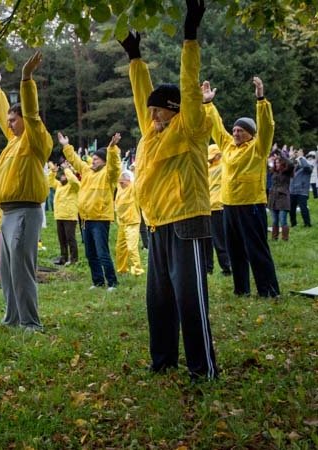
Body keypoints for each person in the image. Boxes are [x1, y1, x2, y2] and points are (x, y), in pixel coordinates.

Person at [119, 0, 218, 380]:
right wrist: (135, 58)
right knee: (158, 301)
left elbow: (189, 90)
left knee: (190, 300)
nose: (153, 115)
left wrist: (189, 37)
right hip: (156, 225)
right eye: (153, 111)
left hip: (186, 222)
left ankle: (202, 369)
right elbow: (143, 97)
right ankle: (163, 362)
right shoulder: (153, 133)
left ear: (175, 109)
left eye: (160, 110)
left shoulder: (191, 127)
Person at [0, 51, 53, 331]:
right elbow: (3, 118)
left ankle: (30, 322)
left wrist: (26, 79)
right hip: (8, 213)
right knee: (8, 269)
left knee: (22, 270)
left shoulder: (35, 140)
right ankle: (12, 318)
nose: (10, 123)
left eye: (15, 119)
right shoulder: (13, 143)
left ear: (24, 120)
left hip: (26, 211)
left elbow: (33, 115)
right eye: (11, 120)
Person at [202, 75, 280, 297]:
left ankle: (269, 290)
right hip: (229, 205)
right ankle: (241, 290)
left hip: (251, 205)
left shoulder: (258, 147)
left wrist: (261, 100)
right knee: (235, 250)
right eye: (235, 130)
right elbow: (216, 127)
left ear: (251, 134)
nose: (236, 133)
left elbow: (267, 126)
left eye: (241, 130)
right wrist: (208, 103)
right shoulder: (227, 146)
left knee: (256, 249)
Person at [61, 132, 121, 289]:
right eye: (92, 158)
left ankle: (112, 282)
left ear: (104, 161)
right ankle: (98, 281)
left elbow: (115, 166)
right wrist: (66, 146)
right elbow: (74, 160)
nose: (92, 161)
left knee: (102, 252)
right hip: (86, 219)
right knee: (90, 253)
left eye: (96, 159)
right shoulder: (87, 171)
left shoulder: (109, 175)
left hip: (100, 219)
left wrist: (112, 149)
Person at [205, 144, 231, 275]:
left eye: (212, 157)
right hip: (208, 208)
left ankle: (226, 267)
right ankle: (208, 268)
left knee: (219, 240)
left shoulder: (222, 167)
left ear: (218, 155)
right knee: (208, 240)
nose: (210, 159)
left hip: (218, 207)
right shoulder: (209, 168)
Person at [48, 161, 80, 266]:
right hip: (59, 216)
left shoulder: (73, 186)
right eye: (61, 175)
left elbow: (74, 181)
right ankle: (63, 257)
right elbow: (50, 181)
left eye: (64, 176)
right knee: (62, 239)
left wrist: (67, 170)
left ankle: (74, 259)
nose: (62, 177)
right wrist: (53, 171)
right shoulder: (58, 185)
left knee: (70, 238)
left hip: (69, 216)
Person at [114, 170, 144, 276]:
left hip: (132, 223)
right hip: (122, 224)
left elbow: (138, 179)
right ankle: (122, 270)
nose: (121, 183)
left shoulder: (133, 188)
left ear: (129, 180)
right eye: (120, 181)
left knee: (131, 248)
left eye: (123, 181)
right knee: (120, 248)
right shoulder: (119, 188)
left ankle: (137, 270)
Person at [268, 153, 294, 240]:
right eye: (276, 163)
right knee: (274, 220)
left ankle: (285, 238)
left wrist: (281, 154)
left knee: (283, 220)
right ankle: (274, 238)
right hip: (273, 198)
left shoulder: (287, 172)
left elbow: (290, 164)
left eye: (279, 162)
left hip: (283, 198)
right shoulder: (274, 172)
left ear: (283, 163)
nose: (277, 164)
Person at [289, 149, 312, 227]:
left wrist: (301, 157)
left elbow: (305, 166)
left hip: (302, 191)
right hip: (292, 191)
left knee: (303, 208)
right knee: (291, 209)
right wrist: (291, 157)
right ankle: (293, 224)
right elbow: (287, 166)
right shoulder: (294, 168)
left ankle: (307, 224)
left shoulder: (308, 167)